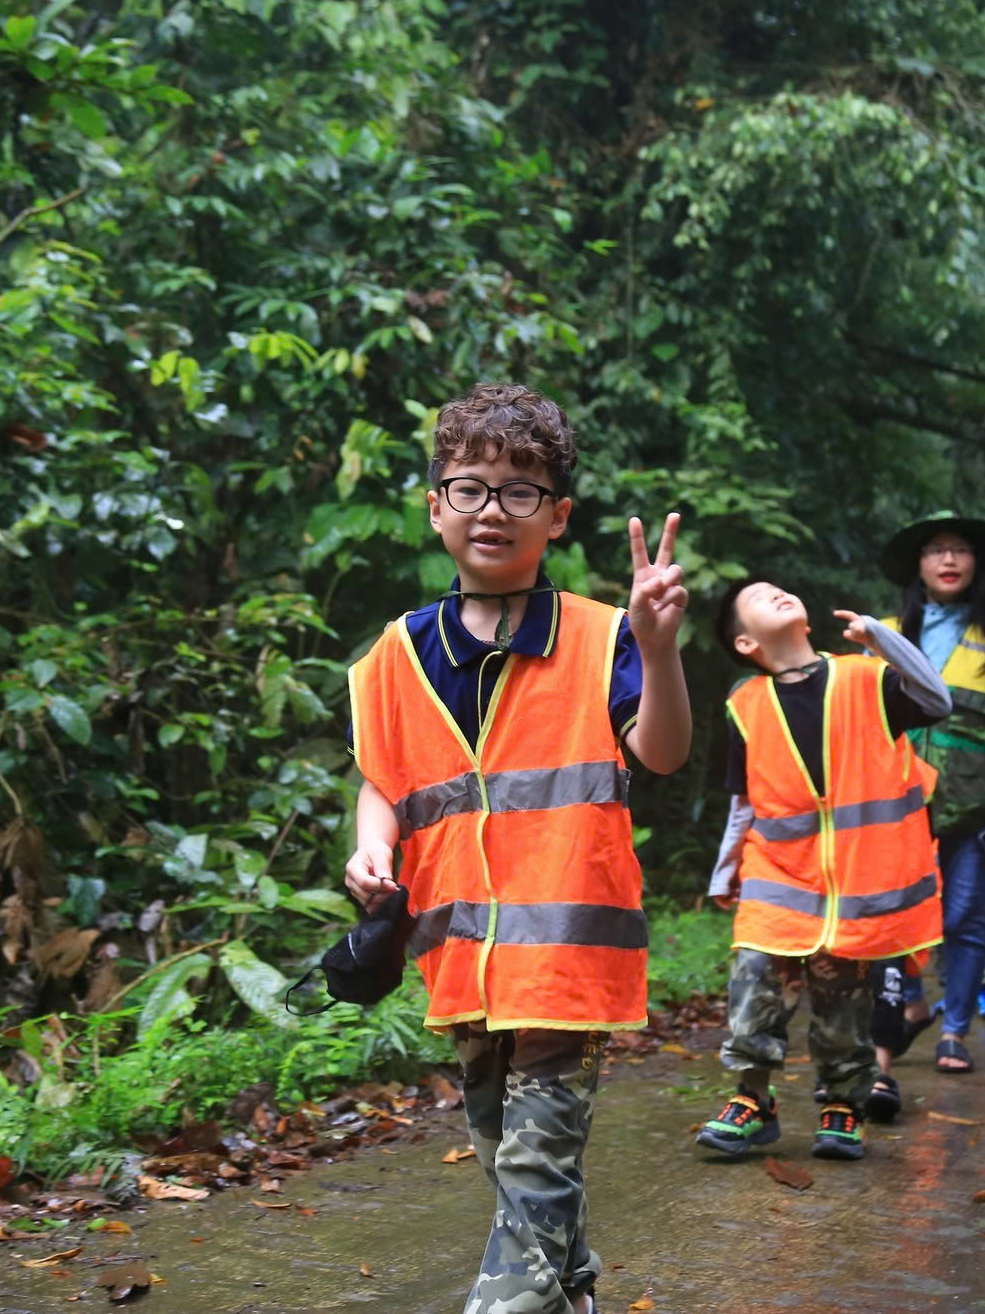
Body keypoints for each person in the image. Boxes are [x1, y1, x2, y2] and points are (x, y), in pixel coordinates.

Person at [344, 382, 691, 1314]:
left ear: (557, 515)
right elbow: (383, 779)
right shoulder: (397, 653)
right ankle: (572, 1286)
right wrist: (372, 849)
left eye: (519, 490)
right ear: (436, 506)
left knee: (534, 1167)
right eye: (470, 487)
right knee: (508, 1154)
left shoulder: (602, 635)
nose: (492, 508)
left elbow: (661, 751)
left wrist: (659, 648)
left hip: (568, 963)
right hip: (461, 958)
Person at [698, 578, 950, 1155]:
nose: (777, 594)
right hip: (777, 878)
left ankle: (843, 1102)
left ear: (808, 621)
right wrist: (723, 870)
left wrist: (881, 639)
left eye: (780, 589)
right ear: (745, 643)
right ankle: (752, 1099)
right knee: (754, 982)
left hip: (857, 884)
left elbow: (937, 701)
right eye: (759, 597)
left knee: (844, 1004)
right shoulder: (745, 704)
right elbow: (742, 802)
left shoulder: (867, 677)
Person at [858, 511, 985, 1075]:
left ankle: (955, 1031)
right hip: (896, 802)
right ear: (917, 566)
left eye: (960, 549)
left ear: (976, 564)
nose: (948, 560)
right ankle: (910, 1004)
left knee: (966, 915)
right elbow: (858, 718)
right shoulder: (880, 634)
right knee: (897, 912)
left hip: (976, 803)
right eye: (935, 550)